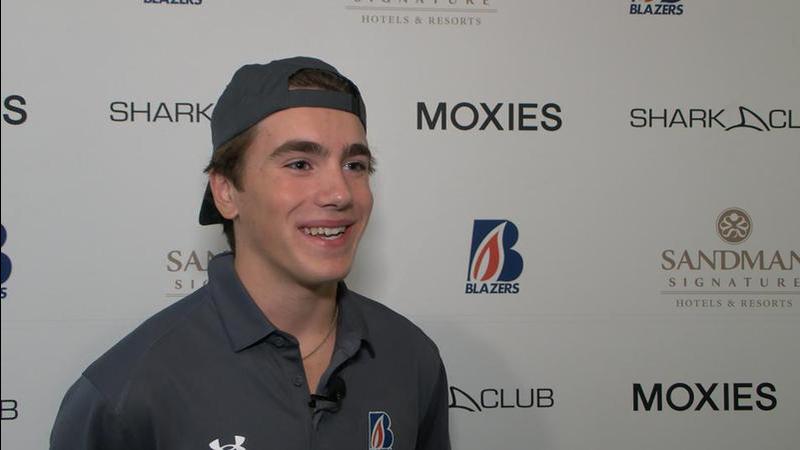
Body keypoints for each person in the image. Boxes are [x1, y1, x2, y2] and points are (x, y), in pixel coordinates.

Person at [50, 56, 450, 450]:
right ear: (226, 192)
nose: (340, 193)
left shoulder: (410, 356)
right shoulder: (127, 392)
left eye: (355, 165)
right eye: (300, 164)